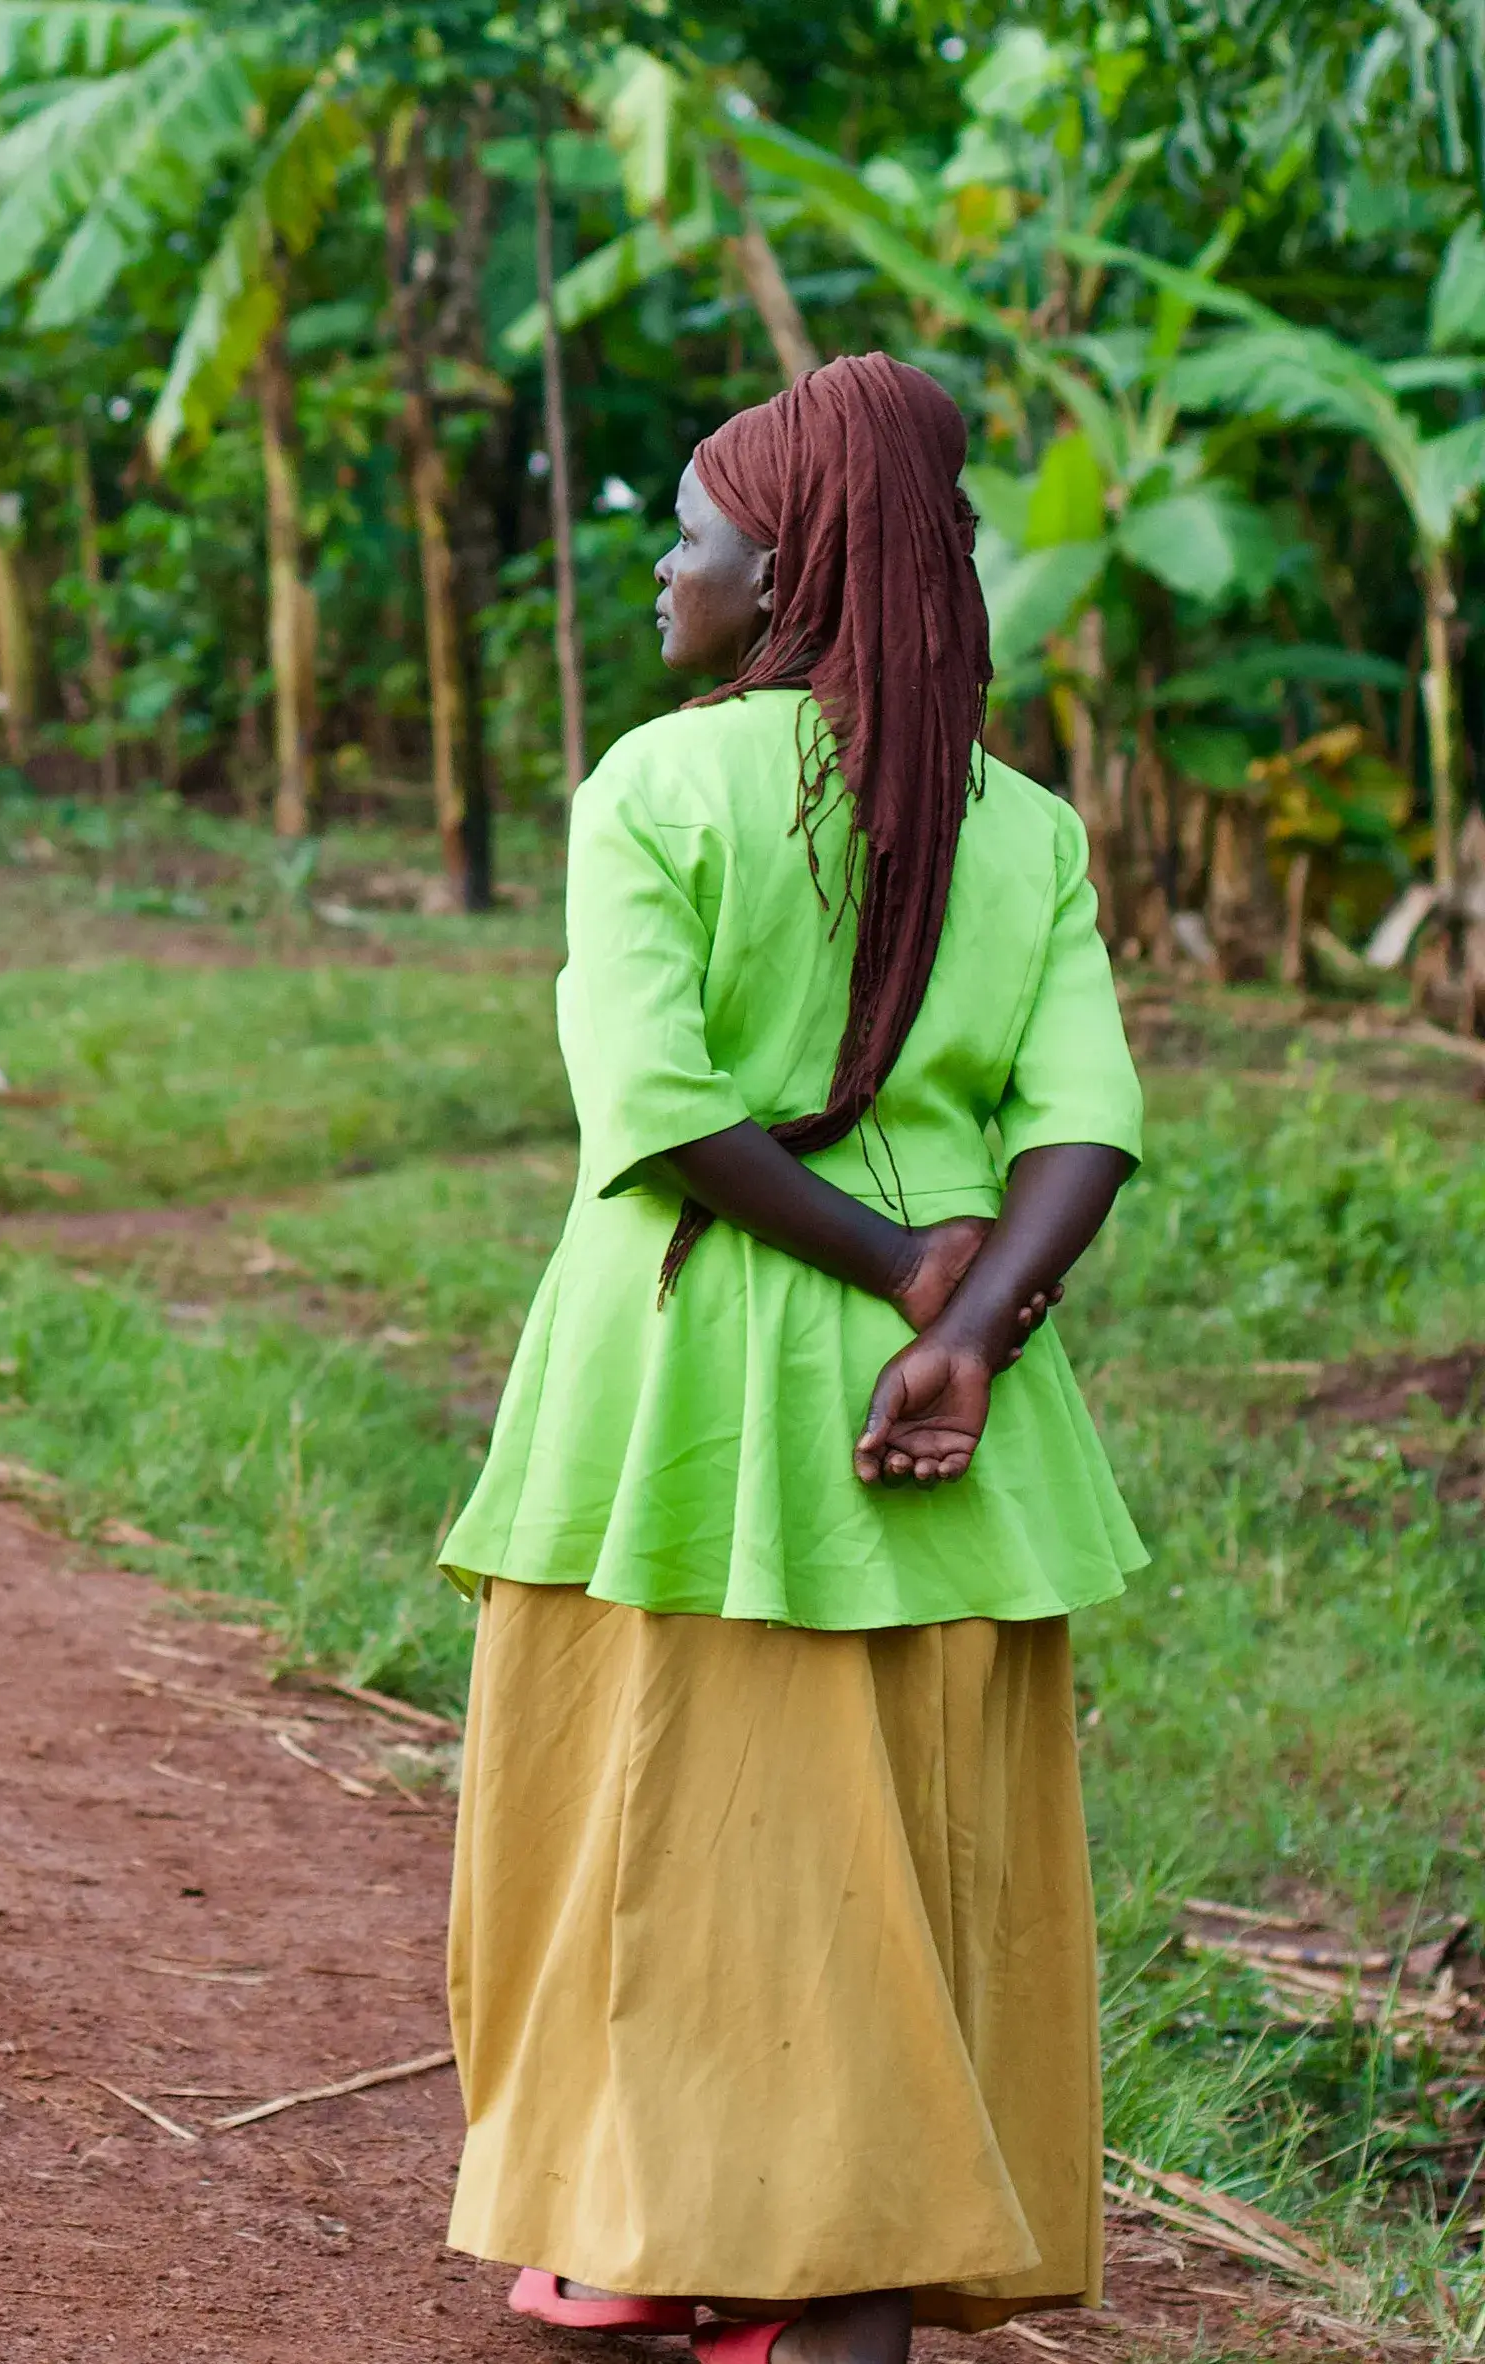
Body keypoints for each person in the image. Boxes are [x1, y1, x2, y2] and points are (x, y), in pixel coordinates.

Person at [437, 353, 1146, 2364]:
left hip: (675, 1380)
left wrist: (880, 1265)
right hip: (942, 1412)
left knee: (646, 1816)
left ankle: (785, 2276)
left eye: (686, 533)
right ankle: (721, 2233)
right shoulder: (1021, 829)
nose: (661, 572)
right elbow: (1078, 1121)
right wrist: (972, 1319)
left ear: (781, 565)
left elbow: (653, 1110)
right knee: (907, 1858)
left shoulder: (660, 784)